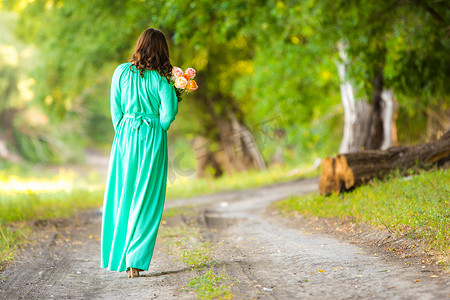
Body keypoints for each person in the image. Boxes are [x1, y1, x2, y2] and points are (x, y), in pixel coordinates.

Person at [100, 28, 178, 278]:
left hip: (125, 136)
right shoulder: (162, 79)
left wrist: (124, 131)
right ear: (162, 50)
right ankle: (135, 260)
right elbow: (167, 117)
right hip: (151, 137)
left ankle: (119, 255)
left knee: (123, 194)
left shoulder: (121, 72)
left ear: (140, 45)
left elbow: (115, 110)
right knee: (147, 199)